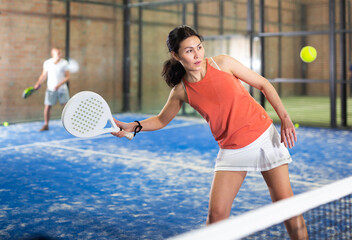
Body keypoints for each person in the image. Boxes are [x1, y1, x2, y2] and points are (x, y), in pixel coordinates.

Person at [112, 25, 308, 239]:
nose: (197, 55)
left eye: (199, 47)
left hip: (264, 138)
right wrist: (134, 126)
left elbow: (263, 84)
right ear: (176, 55)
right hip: (232, 149)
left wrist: (285, 118)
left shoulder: (222, 63)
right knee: (216, 218)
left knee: (286, 207)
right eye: (189, 50)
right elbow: (161, 120)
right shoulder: (181, 91)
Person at [34, 47, 70, 131]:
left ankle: (70, 124)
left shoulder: (64, 63)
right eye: (58, 53)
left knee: (67, 107)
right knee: (47, 107)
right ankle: (46, 125)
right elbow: (43, 76)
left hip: (62, 89)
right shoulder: (47, 63)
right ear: (53, 54)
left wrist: (59, 85)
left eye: (60, 53)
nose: (60, 55)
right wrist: (38, 83)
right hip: (50, 89)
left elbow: (67, 77)